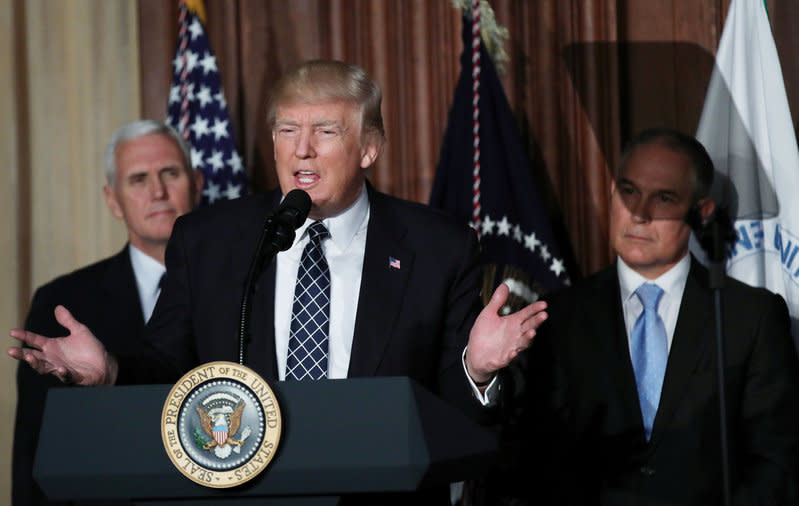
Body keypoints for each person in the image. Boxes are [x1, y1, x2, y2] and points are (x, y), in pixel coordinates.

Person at [8, 61, 544, 504]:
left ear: (368, 148)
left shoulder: (437, 246)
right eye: (288, 130)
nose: (301, 149)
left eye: (325, 131)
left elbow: (448, 413)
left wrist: (474, 368)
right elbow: (169, 371)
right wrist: (111, 374)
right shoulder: (210, 240)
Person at [511, 128, 798, 505]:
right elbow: (534, 462)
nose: (640, 214)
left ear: (701, 212)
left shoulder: (751, 317)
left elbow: (775, 465)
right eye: (629, 192)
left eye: (664, 198)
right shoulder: (560, 317)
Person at [12, 120, 203, 506]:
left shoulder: (246, 284)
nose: (158, 191)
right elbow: (35, 450)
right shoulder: (63, 302)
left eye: (170, 173)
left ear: (197, 184)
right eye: (138, 179)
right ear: (112, 200)